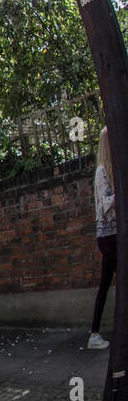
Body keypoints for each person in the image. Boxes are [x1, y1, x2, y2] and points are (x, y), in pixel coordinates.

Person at [90, 126, 116, 350]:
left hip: (114, 234)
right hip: (108, 236)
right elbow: (106, 205)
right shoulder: (101, 171)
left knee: (105, 283)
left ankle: (94, 334)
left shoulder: (112, 169)